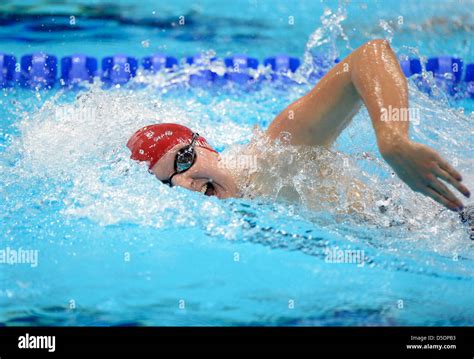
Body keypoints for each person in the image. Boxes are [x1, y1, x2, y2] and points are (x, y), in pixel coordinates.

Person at [127, 39, 470, 214]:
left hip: (450, 220)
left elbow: (370, 55)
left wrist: (393, 140)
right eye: (169, 183)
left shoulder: (273, 157)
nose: (186, 184)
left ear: (205, 146)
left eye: (183, 160)